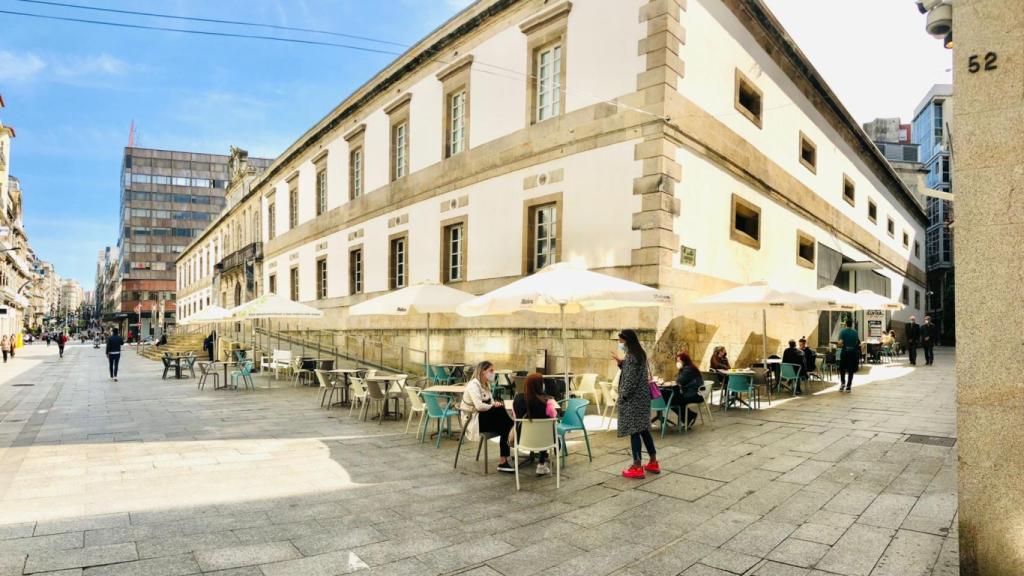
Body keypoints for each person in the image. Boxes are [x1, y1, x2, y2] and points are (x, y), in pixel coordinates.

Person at [613, 329, 658, 479]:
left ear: (627, 341)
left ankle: (637, 466)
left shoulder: (632, 356)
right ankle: (653, 461)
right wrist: (621, 364)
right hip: (642, 397)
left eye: (621, 341)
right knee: (644, 429)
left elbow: (630, 380)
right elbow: (635, 372)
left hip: (633, 399)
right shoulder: (640, 354)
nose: (620, 344)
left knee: (634, 431)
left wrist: (623, 396)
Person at [460, 360, 515, 473]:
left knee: (504, 424)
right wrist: (493, 406)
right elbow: (479, 406)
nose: (493, 373)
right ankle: (513, 434)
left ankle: (503, 460)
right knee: (505, 419)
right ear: (482, 372)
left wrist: (495, 404)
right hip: (473, 420)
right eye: (491, 371)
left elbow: (491, 402)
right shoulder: (473, 385)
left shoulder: (486, 385)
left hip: (483, 418)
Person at [512, 373, 559, 476]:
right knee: (545, 429)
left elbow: (515, 416)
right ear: (540, 385)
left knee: (541, 430)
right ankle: (541, 464)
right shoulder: (546, 402)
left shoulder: (518, 399)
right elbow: (554, 416)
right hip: (544, 441)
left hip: (522, 439)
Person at [667, 352, 704, 428]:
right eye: (677, 361)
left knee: (672, 401)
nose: (677, 363)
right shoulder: (686, 368)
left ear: (684, 361)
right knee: (672, 400)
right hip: (691, 393)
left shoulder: (688, 369)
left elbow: (679, 381)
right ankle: (690, 417)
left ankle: (690, 417)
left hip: (695, 394)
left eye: (679, 361)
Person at [837, 319, 860, 392]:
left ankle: (843, 383)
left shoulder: (843, 331)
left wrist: (839, 345)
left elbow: (840, 343)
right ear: (851, 324)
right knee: (851, 369)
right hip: (853, 353)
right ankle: (848, 386)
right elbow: (856, 342)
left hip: (845, 352)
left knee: (842, 368)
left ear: (846, 324)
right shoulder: (855, 332)